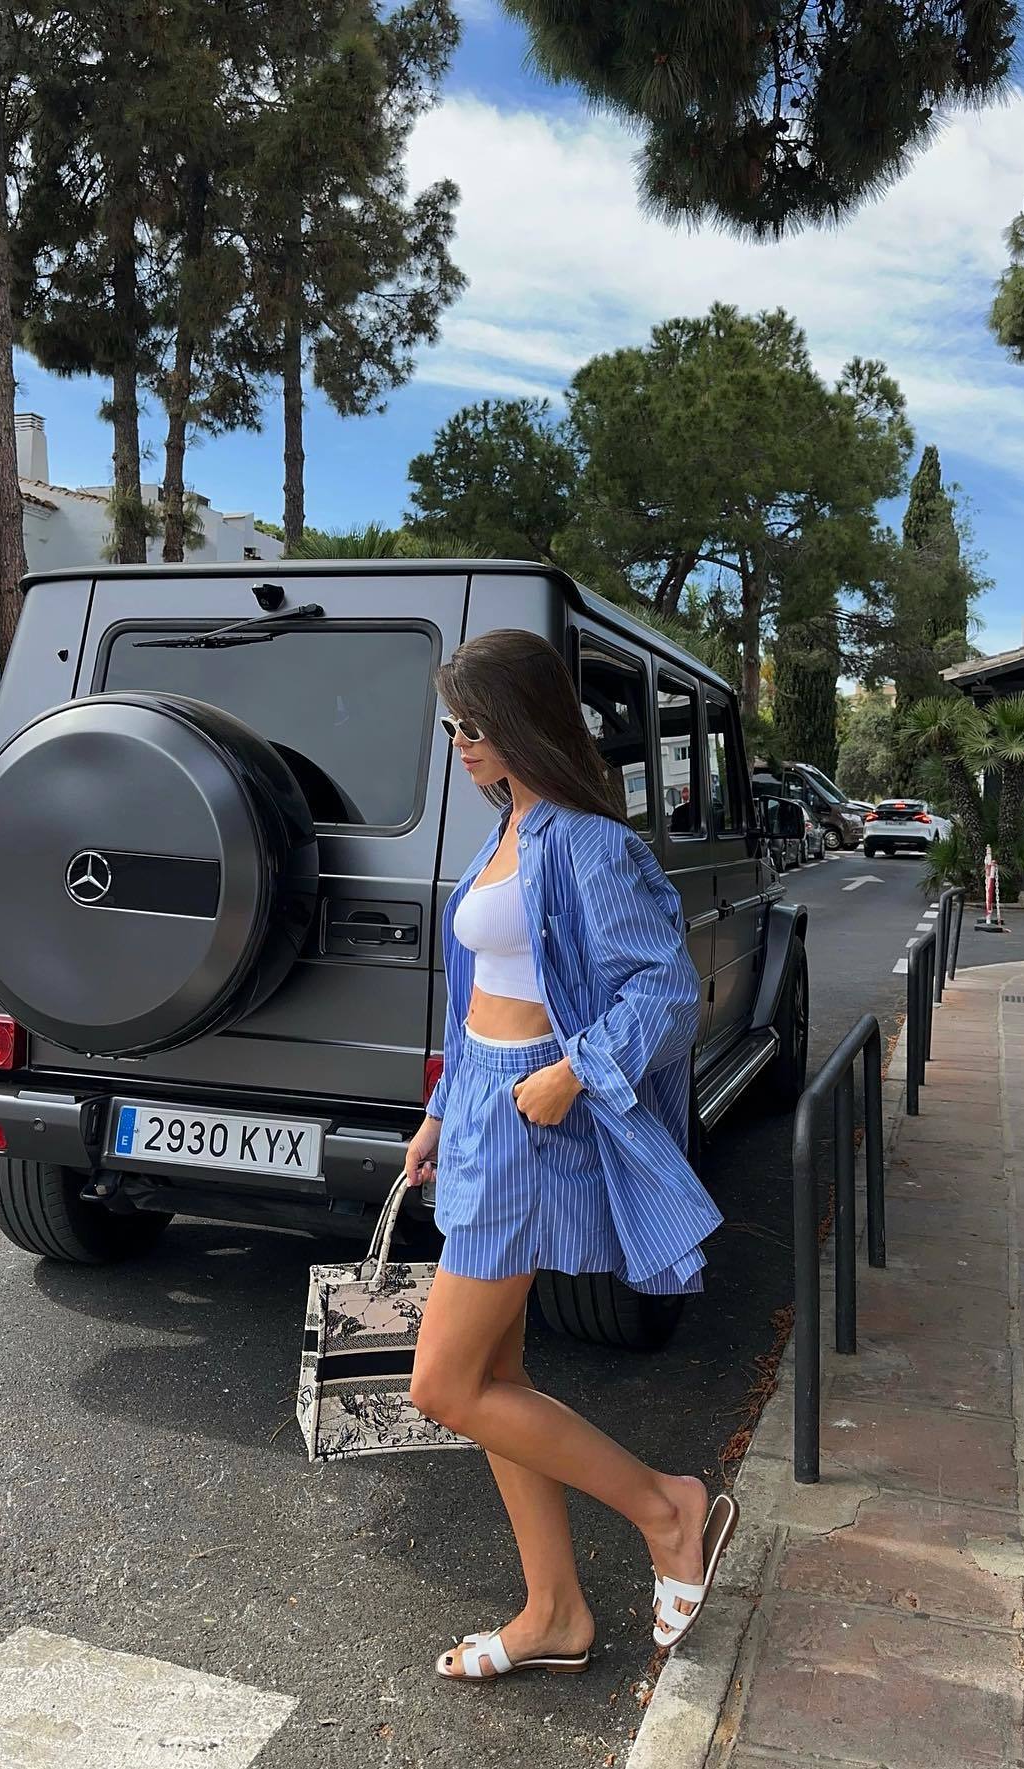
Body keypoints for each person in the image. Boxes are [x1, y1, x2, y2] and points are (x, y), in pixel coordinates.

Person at [404, 628, 737, 1684]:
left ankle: (666, 1506)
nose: (461, 741)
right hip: (481, 1113)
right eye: (452, 724)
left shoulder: (590, 843)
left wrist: (576, 1072)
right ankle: (554, 1611)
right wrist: (441, 1110)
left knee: (442, 1384)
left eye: (475, 722)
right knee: (494, 1375)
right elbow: (479, 999)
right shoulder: (505, 830)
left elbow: (666, 992)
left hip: (531, 1121)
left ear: (523, 719)